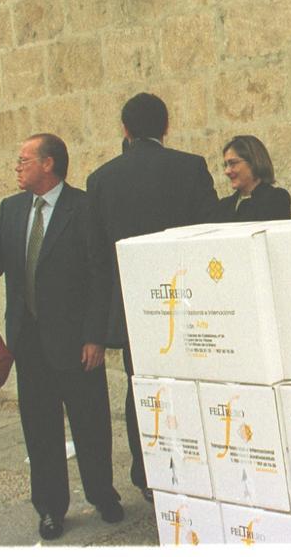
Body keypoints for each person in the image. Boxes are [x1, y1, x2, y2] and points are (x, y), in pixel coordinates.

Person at [0, 134, 122, 541]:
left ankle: (103, 494)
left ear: (48, 164)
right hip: (29, 341)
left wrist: (94, 336)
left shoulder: (83, 207)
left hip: (75, 340)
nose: (17, 166)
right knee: (40, 429)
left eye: (24, 160)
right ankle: (50, 508)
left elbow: (99, 276)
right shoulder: (13, 209)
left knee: (90, 423)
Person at [86, 93, 220, 502]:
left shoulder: (101, 179)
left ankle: (148, 472)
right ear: (166, 126)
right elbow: (210, 235)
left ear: (124, 130)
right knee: (192, 385)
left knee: (140, 387)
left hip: (133, 307)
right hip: (187, 302)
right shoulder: (190, 167)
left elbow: (97, 258)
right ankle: (197, 465)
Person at [217, 135, 291, 222]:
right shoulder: (224, 205)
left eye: (233, 163)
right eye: (225, 165)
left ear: (253, 162)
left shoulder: (276, 198)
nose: (227, 171)